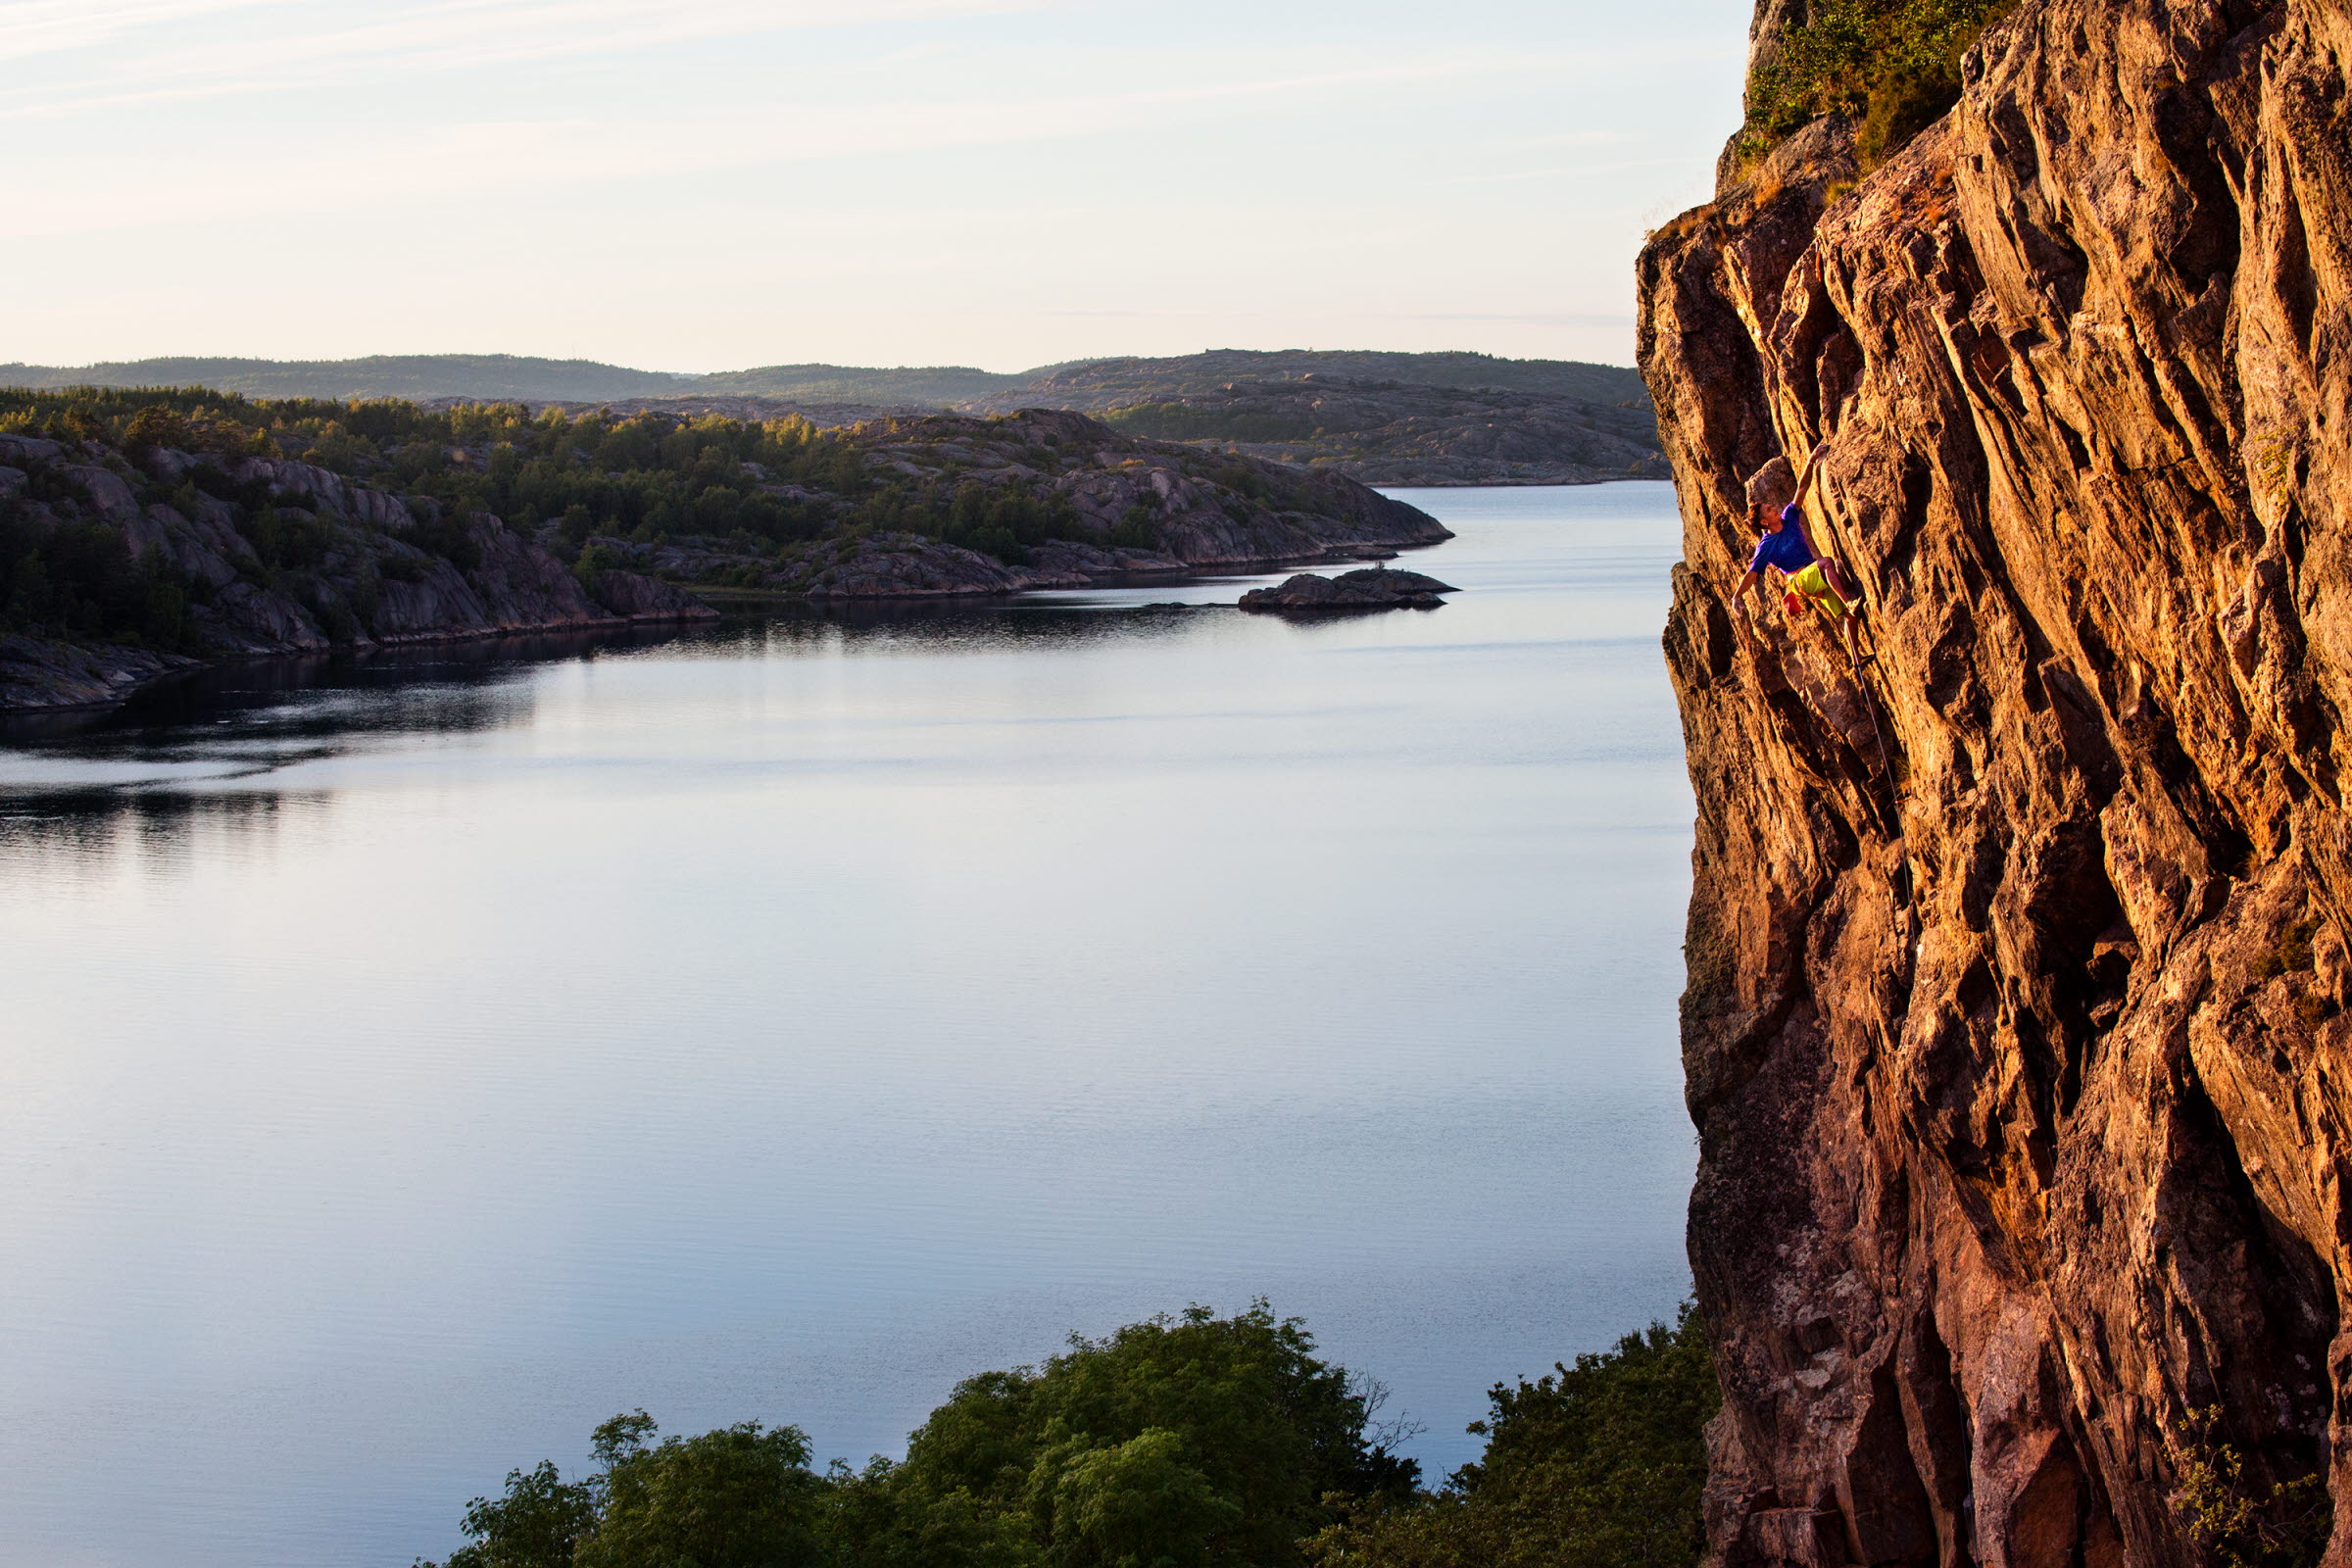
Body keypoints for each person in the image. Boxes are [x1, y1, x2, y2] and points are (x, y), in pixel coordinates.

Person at [1732, 443, 1864, 655]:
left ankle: (1857, 658)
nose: (1774, 508)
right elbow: (1752, 574)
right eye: (1769, 509)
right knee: (1827, 563)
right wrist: (1737, 596)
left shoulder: (1789, 517)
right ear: (1764, 522)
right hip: (1799, 580)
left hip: (1815, 574)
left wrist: (1810, 461)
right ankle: (1849, 603)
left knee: (1848, 614)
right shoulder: (1766, 546)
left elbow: (1801, 489)